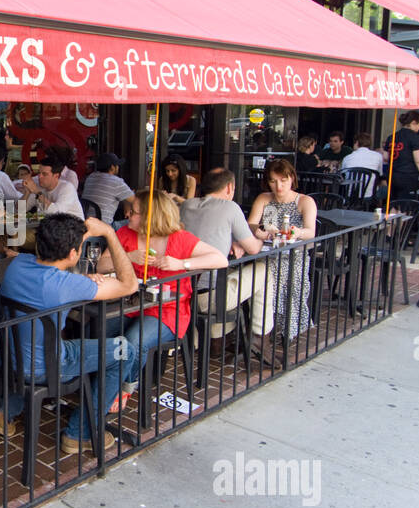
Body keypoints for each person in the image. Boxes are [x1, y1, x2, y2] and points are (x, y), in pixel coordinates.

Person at [0, 215, 139, 452]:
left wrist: (81, 279)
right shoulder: (65, 284)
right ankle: (79, 433)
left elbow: (53, 278)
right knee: (126, 350)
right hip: (48, 367)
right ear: (74, 254)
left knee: (36, 344)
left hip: (7, 357)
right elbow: (129, 285)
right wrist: (110, 234)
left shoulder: (18, 264)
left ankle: (4, 411)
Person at [96, 190, 225, 409]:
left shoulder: (180, 238)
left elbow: (220, 258)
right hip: (130, 302)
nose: (128, 215)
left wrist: (181, 264)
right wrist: (127, 257)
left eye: (135, 212)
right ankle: (101, 384)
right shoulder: (126, 233)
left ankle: (126, 385)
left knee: (133, 340)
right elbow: (101, 265)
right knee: (101, 329)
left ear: (151, 216)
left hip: (168, 309)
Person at [179, 167, 268, 341]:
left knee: (225, 275)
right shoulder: (230, 207)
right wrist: (263, 238)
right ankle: (260, 335)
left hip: (184, 291)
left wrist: (232, 240)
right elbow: (253, 249)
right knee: (264, 270)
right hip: (210, 298)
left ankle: (217, 338)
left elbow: (206, 230)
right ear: (229, 188)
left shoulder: (187, 205)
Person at [248, 158, 319, 366]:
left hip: (293, 256)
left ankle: (283, 333)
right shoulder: (264, 198)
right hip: (268, 254)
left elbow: (311, 232)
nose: (278, 186)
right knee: (263, 287)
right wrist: (260, 231)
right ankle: (264, 335)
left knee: (291, 289)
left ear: (292, 179)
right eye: (273, 181)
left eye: (283, 180)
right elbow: (251, 223)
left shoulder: (304, 201)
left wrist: (298, 232)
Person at [380, 111, 419, 202]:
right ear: (414, 123)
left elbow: (386, 157)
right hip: (408, 176)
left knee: (393, 202)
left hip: (392, 175)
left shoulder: (391, 137)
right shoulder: (415, 138)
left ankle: (392, 216)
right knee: (406, 205)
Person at [19, 151, 84, 218]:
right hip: (51, 226)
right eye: (39, 173)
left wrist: (37, 192)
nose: (39, 176)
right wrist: (27, 193)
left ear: (56, 176)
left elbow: (57, 213)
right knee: (16, 227)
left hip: (73, 226)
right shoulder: (40, 186)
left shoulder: (67, 188)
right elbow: (18, 210)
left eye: (44, 174)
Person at [81, 152, 135, 224]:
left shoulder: (90, 177)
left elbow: (124, 196)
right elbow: (135, 201)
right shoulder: (116, 182)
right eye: (117, 165)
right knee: (135, 222)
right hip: (104, 227)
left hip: (86, 223)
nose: (118, 168)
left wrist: (126, 203)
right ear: (112, 167)